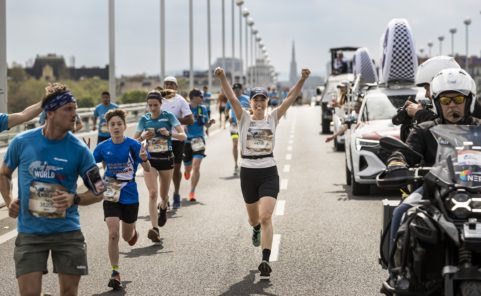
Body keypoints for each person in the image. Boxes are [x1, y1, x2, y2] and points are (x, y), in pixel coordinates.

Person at [0, 83, 104, 296]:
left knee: (68, 293)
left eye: (75, 109)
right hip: (30, 234)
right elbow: (3, 173)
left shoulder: (80, 150)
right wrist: (9, 200)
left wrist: (74, 199)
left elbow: (99, 191)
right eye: (68, 109)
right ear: (50, 112)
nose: (74, 115)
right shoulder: (21, 142)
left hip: (68, 232)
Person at [383, 68, 479, 289]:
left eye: (458, 99)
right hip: (432, 193)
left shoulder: (479, 127)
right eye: (446, 99)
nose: (452, 105)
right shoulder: (425, 130)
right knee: (401, 212)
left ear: (469, 101)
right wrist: (397, 162)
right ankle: (396, 274)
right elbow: (405, 152)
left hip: (476, 192)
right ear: (436, 102)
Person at [215, 66, 310, 280]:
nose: (259, 103)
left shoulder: (273, 118)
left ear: (267, 102)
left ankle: (265, 260)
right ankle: (255, 228)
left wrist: (302, 80)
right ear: (251, 103)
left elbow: (291, 97)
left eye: (263, 100)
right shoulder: (243, 119)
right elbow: (231, 97)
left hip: (268, 170)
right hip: (248, 172)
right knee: (254, 219)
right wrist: (223, 77)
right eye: (255, 100)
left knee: (266, 215)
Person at [93, 109, 150, 290]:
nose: (116, 127)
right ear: (107, 127)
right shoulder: (102, 147)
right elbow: (87, 164)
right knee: (113, 233)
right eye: (112, 124)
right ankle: (115, 272)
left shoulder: (133, 145)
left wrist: (145, 159)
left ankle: (133, 232)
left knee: (126, 237)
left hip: (130, 193)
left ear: (125, 126)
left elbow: (147, 169)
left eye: (119, 124)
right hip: (111, 191)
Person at [134, 90, 186, 243]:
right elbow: (134, 140)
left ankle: (163, 206)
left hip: (166, 159)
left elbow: (183, 136)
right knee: (152, 193)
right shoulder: (144, 119)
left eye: (155, 105)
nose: (152, 108)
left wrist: (169, 134)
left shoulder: (168, 117)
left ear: (161, 104)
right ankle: (155, 228)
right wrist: (143, 137)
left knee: (163, 196)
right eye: (150, 105)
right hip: (150, 159)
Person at [161, 76, 194, 209]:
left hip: (176, 139)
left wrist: (173, 120)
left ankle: (176, 193)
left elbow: (190, 120)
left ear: (176, 87)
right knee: (162, 170)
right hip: (161, 139)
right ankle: (164, 197)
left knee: (175, 169)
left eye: (172, 84)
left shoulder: (180, 100)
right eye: (166, 84)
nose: (169, 86)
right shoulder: (158, 99)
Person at [183, 89, 215, 202]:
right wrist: (183, 127)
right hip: (186, 141)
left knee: (196, 166)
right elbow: (178, 122)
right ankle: (187, 173)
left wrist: (210, 123)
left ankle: (192, 191)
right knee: (188, 168)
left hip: (199, 140)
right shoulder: (185, 108)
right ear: (193, 97)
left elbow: (206, 124)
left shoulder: (203, 109)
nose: (202, 97)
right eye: (200, 96)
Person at [225, 83, 250, 176]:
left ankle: (243, 164)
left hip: (245, 125)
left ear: (241, 89)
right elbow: (226, 110)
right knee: (235, 144)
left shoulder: (247, 99)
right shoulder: (231, 99)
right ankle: (235, 165)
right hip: (234, 125)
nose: (236, 91)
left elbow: (252, 110)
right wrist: (228, 118)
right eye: (234, 90)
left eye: (238, 89)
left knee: (243, 146)